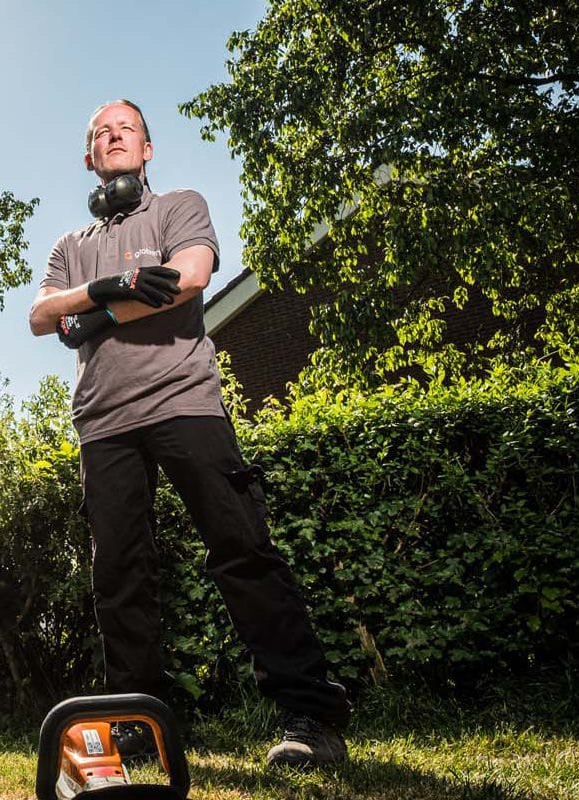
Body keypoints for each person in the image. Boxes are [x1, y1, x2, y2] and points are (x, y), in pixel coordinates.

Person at [28, 99, 351, 768]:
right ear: (91, 159)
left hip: (185, 404)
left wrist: (95, 315)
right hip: (104, 424)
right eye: (101, 134)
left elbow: (192, 276)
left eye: (126, 130)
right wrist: (115, 287)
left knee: (242, 550)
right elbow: (41, 316)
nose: (114, 137)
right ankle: (138, 729)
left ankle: (311, 717)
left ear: (145, 150)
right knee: (120, 576)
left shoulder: (178, 207)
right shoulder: (70, 247)